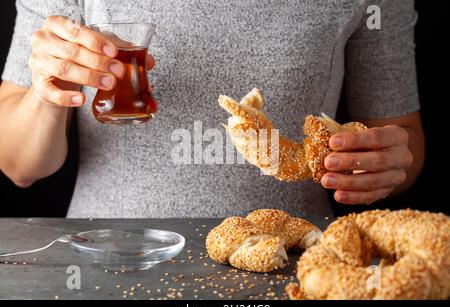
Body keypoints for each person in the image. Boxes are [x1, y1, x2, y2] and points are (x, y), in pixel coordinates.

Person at [0, 0, 424, 219]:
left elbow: (402, 134)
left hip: (294, 267)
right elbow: (18, 164)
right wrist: (46, 94)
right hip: (112, 262)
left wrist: (382, 164)